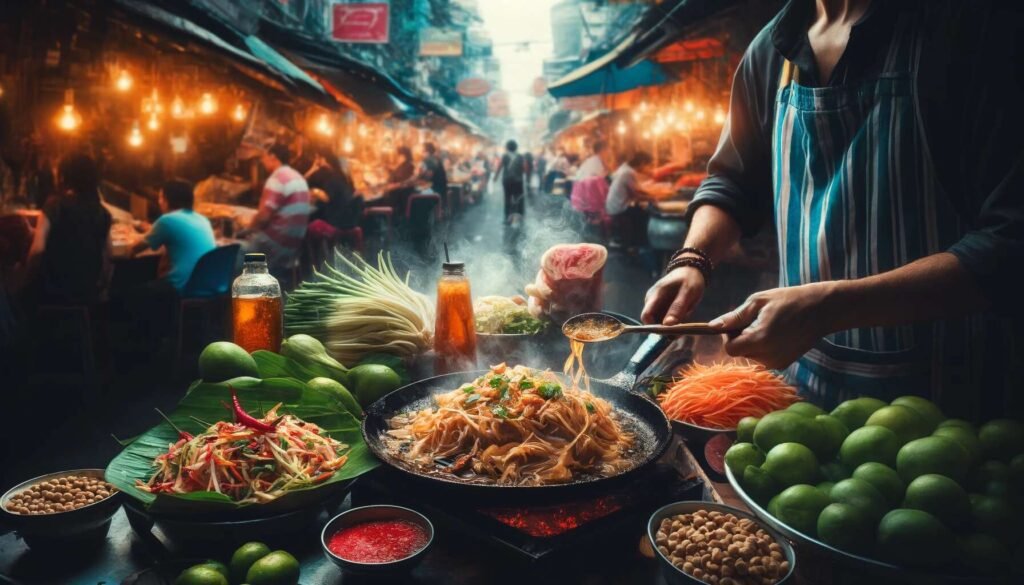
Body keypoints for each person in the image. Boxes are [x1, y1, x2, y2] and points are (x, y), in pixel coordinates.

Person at [642, 0, 1024, 416]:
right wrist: (692, 260)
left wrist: (829, 308)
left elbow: (1010, 244)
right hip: (805, 403)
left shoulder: (973, 28)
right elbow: (733, 181)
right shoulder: (771, 51)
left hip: (955, 410)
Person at [26, 153, 112, 304]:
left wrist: (26, 275)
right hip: (88, 291)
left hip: (53, 290)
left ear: (64, 176)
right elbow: (107, 257)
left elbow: (38, 250)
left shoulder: (54, 206)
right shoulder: (103, 213)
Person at [238, 144, 311, 278]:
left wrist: (245, 230)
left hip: (274, 247)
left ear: (273, 157)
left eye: (264, 157)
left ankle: (235, 296)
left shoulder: (277, 178)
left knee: (232, 253)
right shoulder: (299, 178)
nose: (262, 161)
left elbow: (263, 217)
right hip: (293, 249)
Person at [130, 179, 216, 291]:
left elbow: (135, 248)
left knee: (131, 291)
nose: (159, 201)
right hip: (207, 285)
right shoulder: (202, 219)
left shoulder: (167, 220)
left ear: (167, 200)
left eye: (160, 197)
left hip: (181, 285)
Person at [306, 147, 362, 231]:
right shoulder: (342, 175)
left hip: (336, 222)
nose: (317, 161)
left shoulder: (332, 177)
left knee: (312, 220)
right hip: (349, 220)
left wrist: (316, 193)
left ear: (324, 159)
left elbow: (327, 198)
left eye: (318, 158)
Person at [495, 140, 526, 224]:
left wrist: (495, 177)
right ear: (516, 147)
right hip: (518, 181)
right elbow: (524, 169)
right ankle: (520, 217)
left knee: (507, 198)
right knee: (519, 198)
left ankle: (507, 218)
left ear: (507, 147)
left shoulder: (504, 156)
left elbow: (499, 167)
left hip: (507, 181)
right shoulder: (520, 156)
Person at [383, 145, 416, 212]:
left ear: (403, 156)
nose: (397, 158)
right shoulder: (404, 165)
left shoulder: (408, 166)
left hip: (396, 199)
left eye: (398, 156)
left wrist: (390, 187)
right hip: (395, 196)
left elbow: (403, 183)